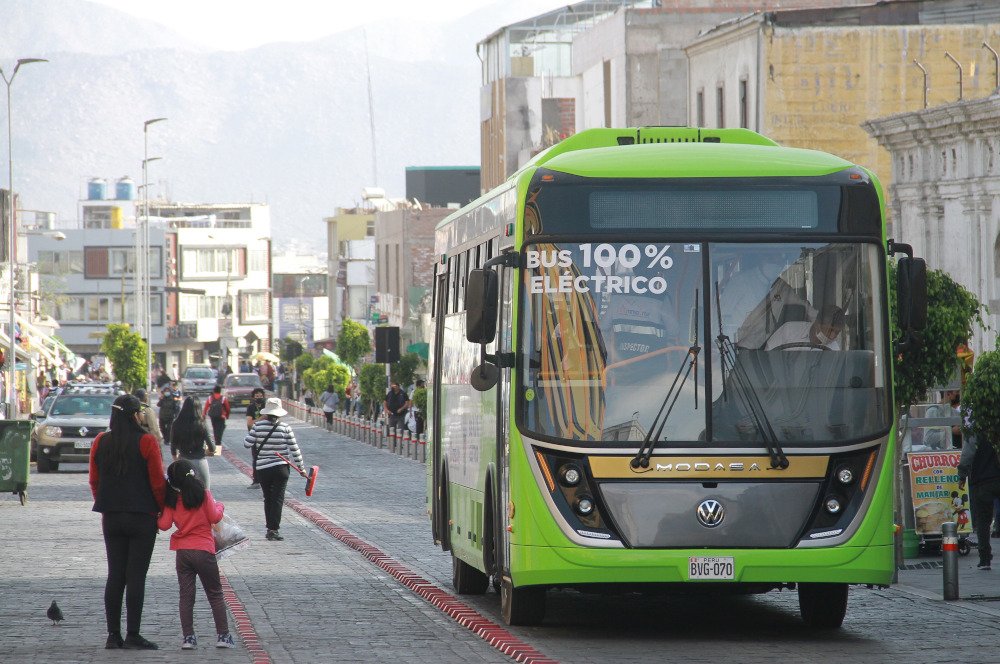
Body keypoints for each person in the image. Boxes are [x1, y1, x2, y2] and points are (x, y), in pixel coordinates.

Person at [88, 394, 166, 650]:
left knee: (115, 575)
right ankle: (133, 634)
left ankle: (113, 635)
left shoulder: (101, 441)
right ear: (134, 415)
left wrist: (105, 502)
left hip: (111, 517)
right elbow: (157, 482)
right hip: (142, 516)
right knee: (136, 576)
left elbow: (94, 480)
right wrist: (162, 508)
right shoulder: (147, 442)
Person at [157, 459, 235, 650]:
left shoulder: (172, 500)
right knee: (215, 594)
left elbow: (164, 525)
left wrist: (158, 513)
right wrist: (220, 506)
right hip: (204, 550)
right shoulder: (204, 494)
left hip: (183, 552)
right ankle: (223, 636)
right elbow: (215, 517)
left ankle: (188, 638)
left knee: (186, 595)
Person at [719, 252, 816, 349]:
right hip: (739, 347)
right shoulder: (740, 282)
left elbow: (804, 305)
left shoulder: (781, 286)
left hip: (767, 348)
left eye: (779, 262)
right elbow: (720, 316)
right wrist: (718, 347)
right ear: (761, 258)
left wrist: (820, 322)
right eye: (771, 259)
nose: (776, 263)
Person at [243, 398, 303, 541]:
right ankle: (273, 529)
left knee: (267, 498)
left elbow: (246, 443)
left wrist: (258, 425)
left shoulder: (258, 426)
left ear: (266, 412)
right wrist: (301, 468)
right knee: (277, 498)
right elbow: (294, 449)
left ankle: (270, 528)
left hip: (263, 469)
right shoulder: (285, 428)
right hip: (281, 468)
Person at [958, 424, 1000, 570]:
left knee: (983, 521)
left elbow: (967, 454)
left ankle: (984, 559)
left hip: (982, 481)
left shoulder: (976, 430)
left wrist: (962, 474)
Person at [170, 397, 216, 489]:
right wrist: (207, 451)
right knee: (205, 493)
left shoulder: (176, 424)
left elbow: (173, 447)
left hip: (183, 460)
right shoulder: (201, 424)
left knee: (183, 491)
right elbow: (212, 447)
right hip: (200, 461)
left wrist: (176, 461)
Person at [764, 304, 845, 351]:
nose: (832, 336)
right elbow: (767, 357)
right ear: (817, 323)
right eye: (830, 330)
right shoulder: (788, 330)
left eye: (837, 332)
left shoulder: (833, 350)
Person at [245, 387, 267, 488]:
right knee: (256, 458)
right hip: (255, 436)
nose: (259, 398)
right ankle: (256, 480)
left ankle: (266, 480)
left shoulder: (266, 407)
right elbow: (249, 424)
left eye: (261, 396)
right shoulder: (251, 408)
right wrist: (261, 418)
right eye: (257, 396)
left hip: (266, 437)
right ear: (253, 397)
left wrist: (256, 421)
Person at [202, 385, 231, 451]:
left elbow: (206, 407)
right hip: (221, 417)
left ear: (214, 390)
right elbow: (227, 408)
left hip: (213, 416)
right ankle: (218, 443)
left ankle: (217, 442)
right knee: (220, 429)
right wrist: (227, 416)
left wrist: (204, 415)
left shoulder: (210, 398)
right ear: (220, 391)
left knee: (215, 429)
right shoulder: (223, 398)